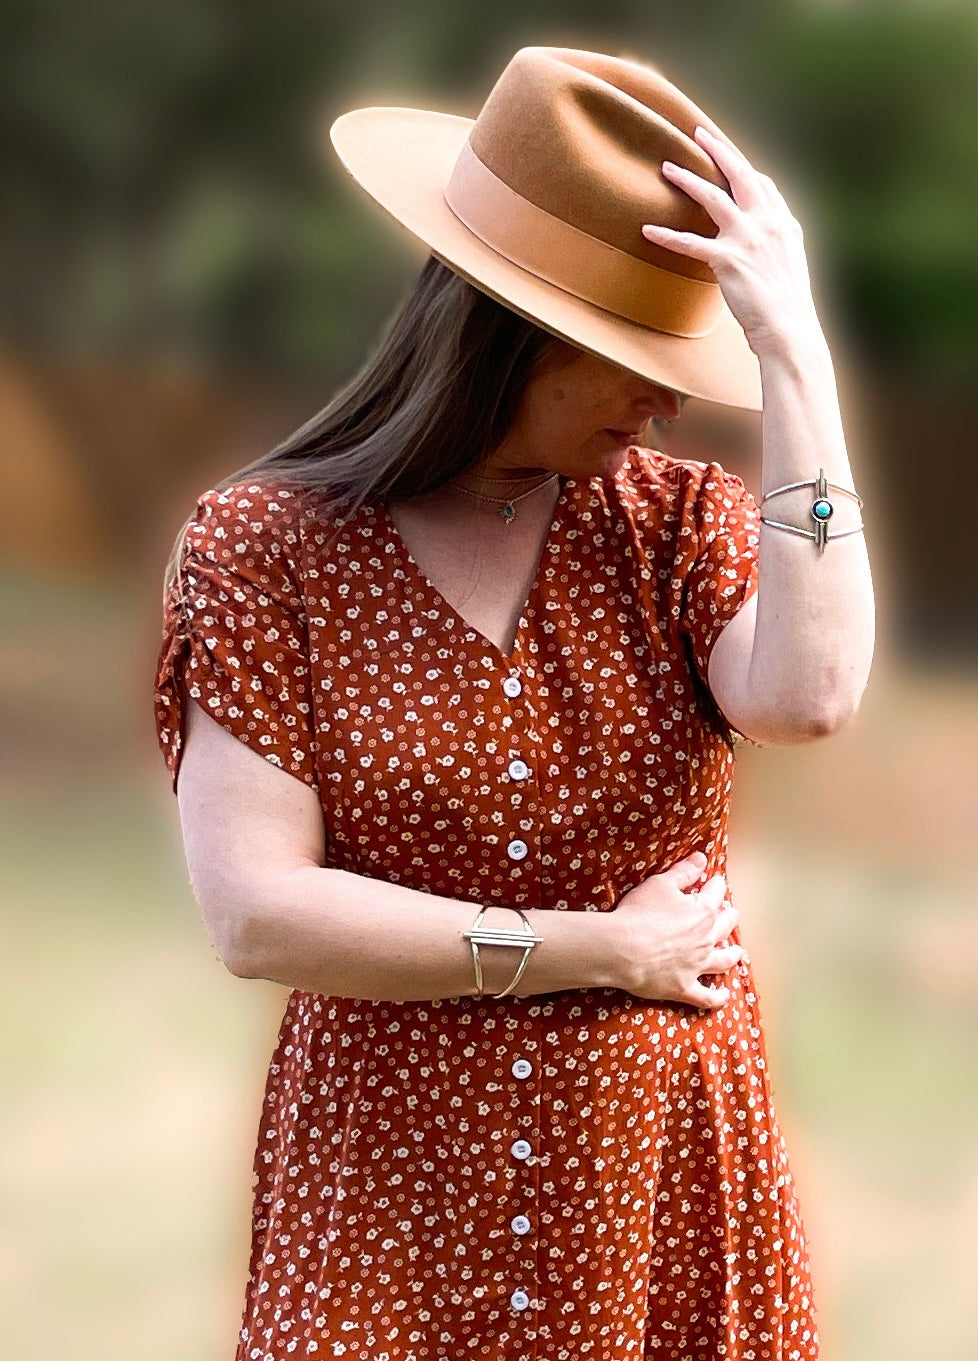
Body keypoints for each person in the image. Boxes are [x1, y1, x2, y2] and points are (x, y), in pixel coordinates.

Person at [153, 45, 873, 1361]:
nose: (664, 401)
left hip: (653, 1182)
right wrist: (591, 946)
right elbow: (257, 911)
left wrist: (801, 364)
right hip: (388, 1196)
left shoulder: (676, 530)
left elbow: (813, 693)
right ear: (510, 328)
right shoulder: (264, 549)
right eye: (629, 354)